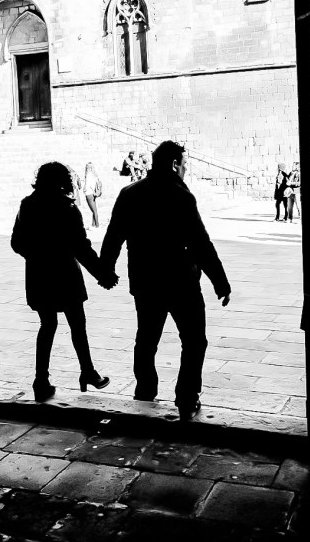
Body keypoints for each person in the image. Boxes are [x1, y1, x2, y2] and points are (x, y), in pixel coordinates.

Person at [100, 140, 231, 422]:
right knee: (194, 340)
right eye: (184, 165)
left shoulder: (129, 193)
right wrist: (220, 282)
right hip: (181, 281)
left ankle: (145, 392)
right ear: (174, 164)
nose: (185, 170)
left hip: (145, 280)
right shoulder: (181, 196)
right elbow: (200, 243)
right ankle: (186, 396)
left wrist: (106, 270)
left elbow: (113, 235)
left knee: (146, 340)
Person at [10, 161, 118, 401]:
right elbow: (82, 248)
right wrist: (103, 274)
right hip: (65, 274)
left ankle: (41, 380)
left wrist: (37, 256)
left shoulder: (27, 205)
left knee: (47, 325)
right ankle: (87, 371)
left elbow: (16, 243)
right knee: (77, 324)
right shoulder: (67, 208)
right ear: (63, 182)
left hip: (39, 275)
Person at [83, 162, 101, 228]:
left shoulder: (88, 175)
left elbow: (87, 185)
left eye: (86, 167)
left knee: (94, 211)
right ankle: (93, 225)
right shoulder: (94, 175)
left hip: (89, 193)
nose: (86, 168)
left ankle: (97, 225)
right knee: (94, 210)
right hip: (93, 194)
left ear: (89, 168)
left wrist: (84, 189)